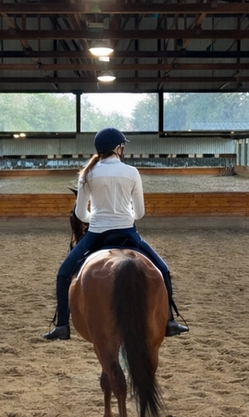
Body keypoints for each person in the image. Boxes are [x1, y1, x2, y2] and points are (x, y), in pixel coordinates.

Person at [42, 127, 189, 341]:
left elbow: (81, 213)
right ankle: (169, 321)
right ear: (118, 148)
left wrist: (99, 218)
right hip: (128, 233)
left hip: (96, 234)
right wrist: (122, 215)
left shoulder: (87, 173)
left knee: (64, 272)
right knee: (163, 270)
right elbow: (139, 213)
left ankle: (62, 325)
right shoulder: (132, 172)